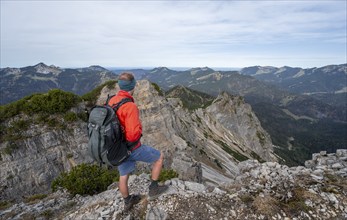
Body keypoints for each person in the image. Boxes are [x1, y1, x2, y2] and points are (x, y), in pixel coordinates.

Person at [108, 72, 168, 211]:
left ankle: (127, 201)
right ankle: (153, 190)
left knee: (123, 176)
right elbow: (133, 134)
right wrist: (139, 131)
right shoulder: (130, 106)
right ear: (132, 86)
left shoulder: (111, 101)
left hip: (118, 148)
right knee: (159, 157)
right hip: (131, 148)